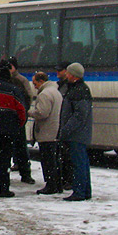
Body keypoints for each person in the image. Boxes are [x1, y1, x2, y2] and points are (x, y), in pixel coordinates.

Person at [58, 62, 93, 201]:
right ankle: (85, 191)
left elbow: (79, 115)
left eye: (68, 72)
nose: (65, 74)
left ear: (73, 75)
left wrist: (65, 129)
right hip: (79, 133)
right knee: (82, 162)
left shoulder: (78, 91)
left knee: (78, 163)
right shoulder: (79, 89)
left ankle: (79, 192)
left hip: (76, 134)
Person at [0, 60, 28, 198]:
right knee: (5, 160)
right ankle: (4, 188)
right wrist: (17, 127)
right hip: (8, 132)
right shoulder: (14, 90)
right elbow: (22, 112)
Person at [29, 71, 64, 195]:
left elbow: (42, 113)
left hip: (46, 131)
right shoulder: (56, 92)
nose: (35, 86)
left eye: (35, 83)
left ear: (41, 81)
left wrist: (31, 112)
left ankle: (50, 185)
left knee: (47, 161)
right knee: (55, 160)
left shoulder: (44, 94)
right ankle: (57, 185)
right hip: (55, 131)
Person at [7, 56, 36, 184]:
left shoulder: (20, 80)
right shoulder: (14, 81)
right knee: (18, 146)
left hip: (15, 119)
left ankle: (23, 171)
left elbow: (27, 98)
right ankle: (24, 172)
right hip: (16, 119)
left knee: (19, 147)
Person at [55, 61, 74, 190]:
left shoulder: (69, 88)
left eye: (61, 70)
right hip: (63, 124)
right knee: (63, 155)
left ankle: (68, 180)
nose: (58, 73)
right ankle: (65, 179)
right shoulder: (61, 86)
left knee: (67, 156)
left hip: (67, 126)